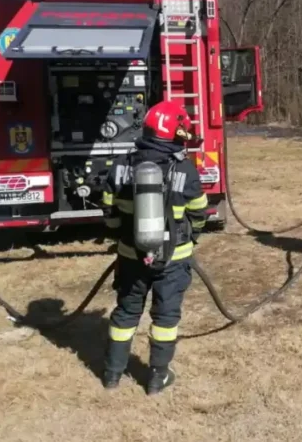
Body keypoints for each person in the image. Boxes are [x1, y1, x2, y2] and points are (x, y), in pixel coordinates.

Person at [100, 100, 208, 395]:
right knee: (165, 317)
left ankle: (112, 374)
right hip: (173, 258)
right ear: (174, 130)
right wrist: (191, 236)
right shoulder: (185, 168)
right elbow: (199, 211)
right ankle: (157, 377)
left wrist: (120, 237)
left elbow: (109, 210)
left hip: (130, 254)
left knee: (125, 312)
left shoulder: (122, 164)